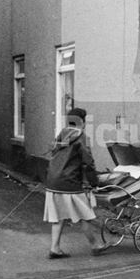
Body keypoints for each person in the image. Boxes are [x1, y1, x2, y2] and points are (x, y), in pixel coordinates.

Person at [43, 106, 109, 258]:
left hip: (53, 181)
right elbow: (88, 162)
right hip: (70, 182)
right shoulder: (81, 137)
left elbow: (53, 154)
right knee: (85, 215)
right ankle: (96, 245)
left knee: (58, 216)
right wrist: (94, 182)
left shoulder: (61, 135)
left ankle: (55, 248)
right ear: (83, 122)